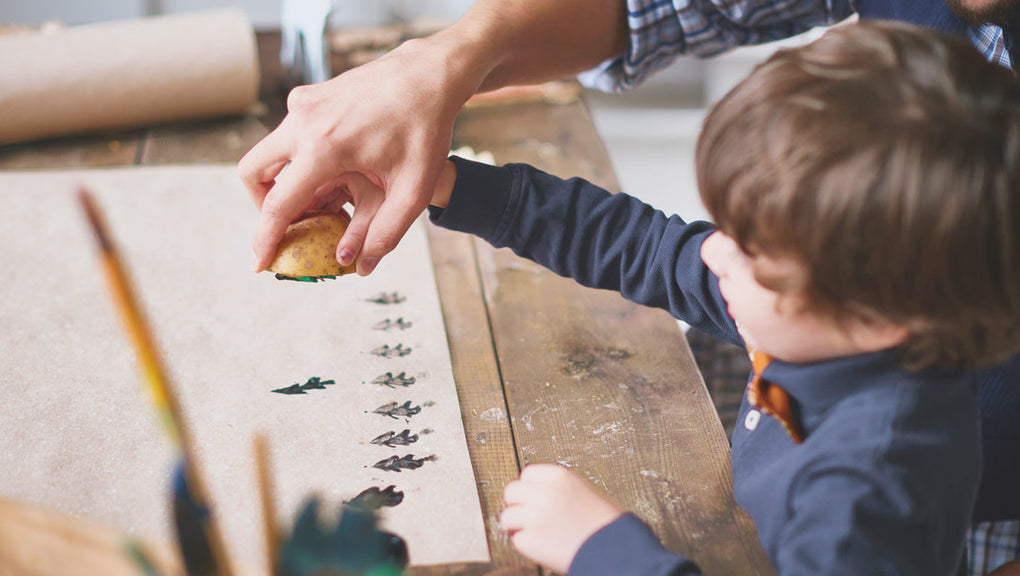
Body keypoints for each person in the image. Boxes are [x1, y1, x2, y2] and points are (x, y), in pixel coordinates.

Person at [239, 0, 1020, 570]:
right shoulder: (834, 311)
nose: (715, 257)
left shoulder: (868, 498)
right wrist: (445, 184)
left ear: (881, 317)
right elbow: (635, 243)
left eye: (752, 252)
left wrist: (603, 549)